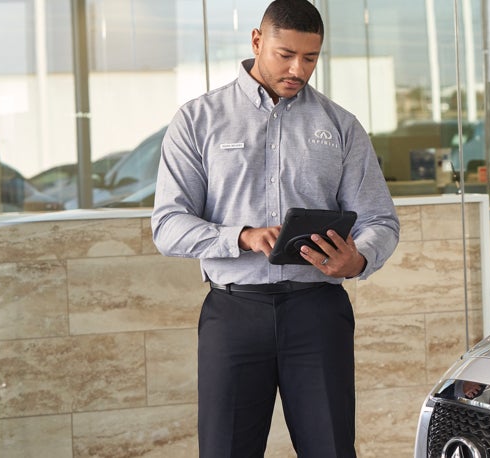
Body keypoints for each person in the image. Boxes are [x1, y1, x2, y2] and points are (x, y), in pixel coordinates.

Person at [151, 1, 399, 456]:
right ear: (256, 41)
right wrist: (241, 236)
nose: (297, 69)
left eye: (310, 58)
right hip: (233, 315)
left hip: (318, 313)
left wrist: (358, 258)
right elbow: (167, 225)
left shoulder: (340, 126)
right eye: (285, 54)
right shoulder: (197, 120)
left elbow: (379, 219)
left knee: (332, 448)